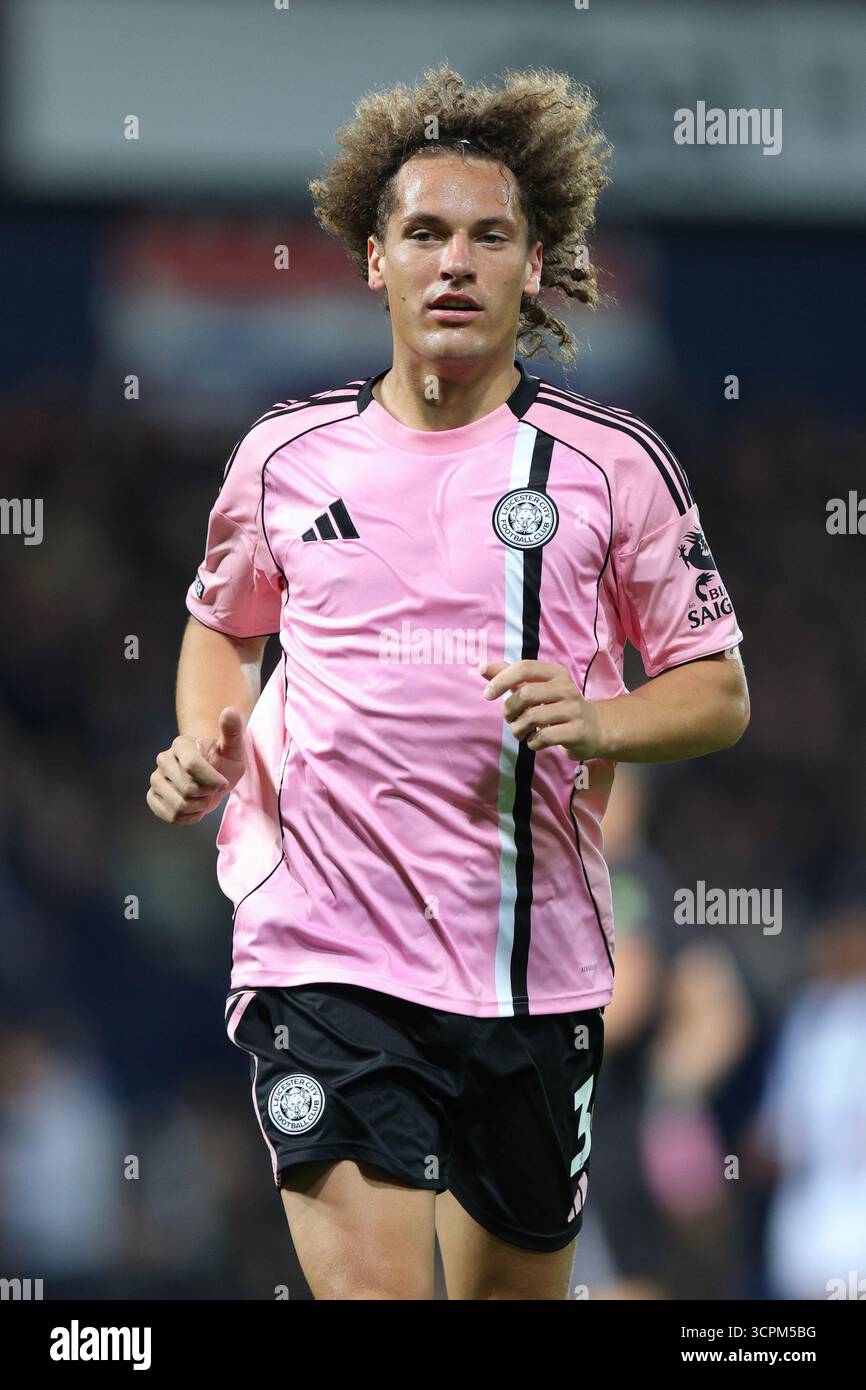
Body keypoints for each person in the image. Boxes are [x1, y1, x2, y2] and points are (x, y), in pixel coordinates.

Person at [146, 64, 749, 1300]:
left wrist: (600, 719)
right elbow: (221, 627)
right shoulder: (285, 457)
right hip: (321, 955)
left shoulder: (610, 465)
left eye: (490, 235)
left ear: (535, 265)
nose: (455, 261)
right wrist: (210, 735)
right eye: (424, 232)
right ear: (376, 260)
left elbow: (716, 691)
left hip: (534, 971)